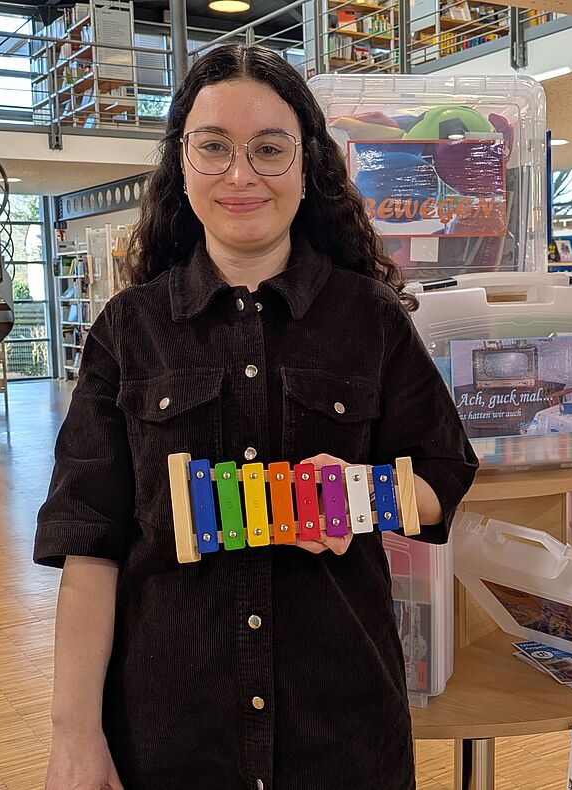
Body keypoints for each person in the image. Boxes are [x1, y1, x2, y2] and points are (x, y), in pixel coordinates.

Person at [35, 43, 478, 790]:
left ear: (308, 167)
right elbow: (90, 547)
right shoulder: (127, 331)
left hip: (339, 730)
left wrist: (358, 495)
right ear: (182, 165)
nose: (240, 175)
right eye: (214, 147)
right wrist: (73, 734)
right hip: (173, 731)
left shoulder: (370, 319)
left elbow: (446, 473)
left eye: (269, 149)